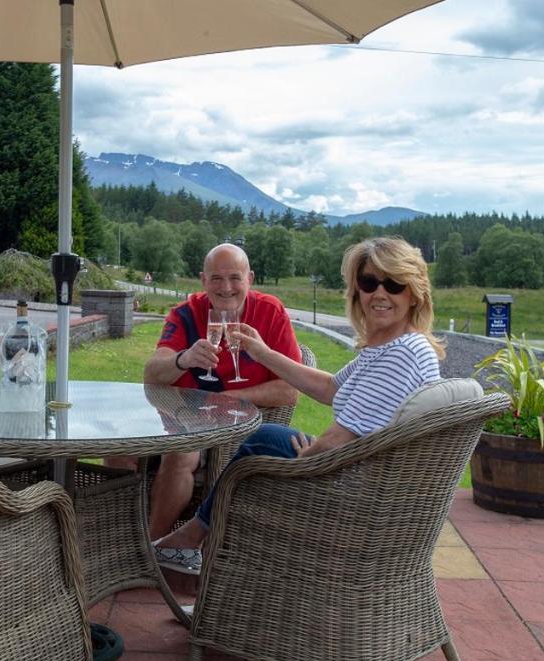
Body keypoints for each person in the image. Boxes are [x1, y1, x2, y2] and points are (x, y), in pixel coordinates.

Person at [152, 236, 444, 574]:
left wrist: (309, 457)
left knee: (261, 445)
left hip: (360, 492)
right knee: (267, 438)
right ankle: (195, 544)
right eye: (369, 282)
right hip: (369, 476)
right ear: (357, 290)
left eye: (393, 284)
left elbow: (341, 438)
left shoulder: (402, 353)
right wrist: (263, 354)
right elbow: (331, 388)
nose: (379, 293)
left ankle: (195, 547)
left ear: (414, 293)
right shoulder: (393, 347)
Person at [138, 243, 301, 543]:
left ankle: (152, 546)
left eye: (235, 277)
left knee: (179, 453)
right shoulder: (186, 314)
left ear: (249, 278)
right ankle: (120, 532)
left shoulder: (270, 312)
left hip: (238, 425)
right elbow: (152, 374)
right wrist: (182, 359)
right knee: (119, 453)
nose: (226, 288)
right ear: (203, 280)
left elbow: (290, 390)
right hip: (183, 418)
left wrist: (227, 398)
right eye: (216, 278)